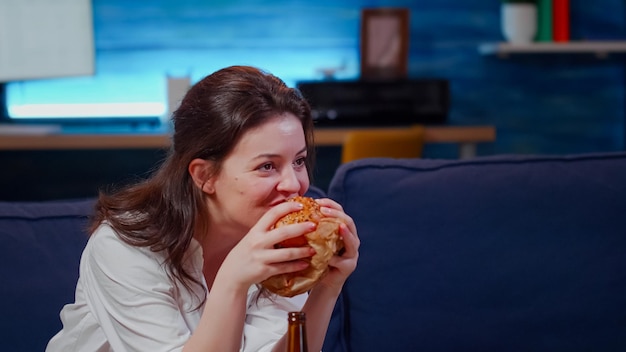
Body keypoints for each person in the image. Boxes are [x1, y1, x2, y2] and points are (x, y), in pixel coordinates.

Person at [46, 65, 359, 352]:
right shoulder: (122, 248)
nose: (294, 184)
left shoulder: (278, 244)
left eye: (299, 161)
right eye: (267, 166)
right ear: (205, 175)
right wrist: (233, 281)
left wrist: (327, 288)